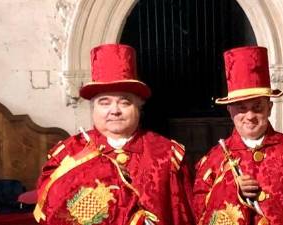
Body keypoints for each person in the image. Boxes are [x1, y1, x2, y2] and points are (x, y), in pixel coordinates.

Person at [34, 44, 194, 225]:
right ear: (93, 108)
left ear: (138, 108)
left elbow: (183, 216)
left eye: (125, 102)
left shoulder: (167, 154)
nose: (114, 111)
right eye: (104, 102)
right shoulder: (68, 154)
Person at [193, 46, 283, 225]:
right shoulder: (213, 162)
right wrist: (230, 189)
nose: (250, 116)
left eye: (257, 107)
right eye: (242, 108)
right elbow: (199, 215)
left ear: (269, 108)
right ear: (230, 111)